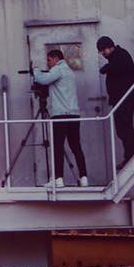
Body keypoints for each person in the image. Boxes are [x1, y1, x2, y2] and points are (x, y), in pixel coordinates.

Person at [33, 48, 87, 188]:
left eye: (49, 60)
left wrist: (36, 70)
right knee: (76, 147)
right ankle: (84, 177)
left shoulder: (58, 69)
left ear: (56, 59)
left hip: (61, 115)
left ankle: (58, 179)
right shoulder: (69, 72)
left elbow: (42, 80)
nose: (48, 64)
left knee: (57, 146)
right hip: (74, 114)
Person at [96, 36, 134, 168]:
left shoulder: (121, 55)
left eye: (104, 50)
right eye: (101, 51)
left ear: (110, 47)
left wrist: (106, 68)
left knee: (125, 127)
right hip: (120, 99)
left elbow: (118, 68)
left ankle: (131, 156)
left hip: (125, 99)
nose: (103, 53)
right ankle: (129, 155)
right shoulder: (116, 57)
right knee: (121, 129)